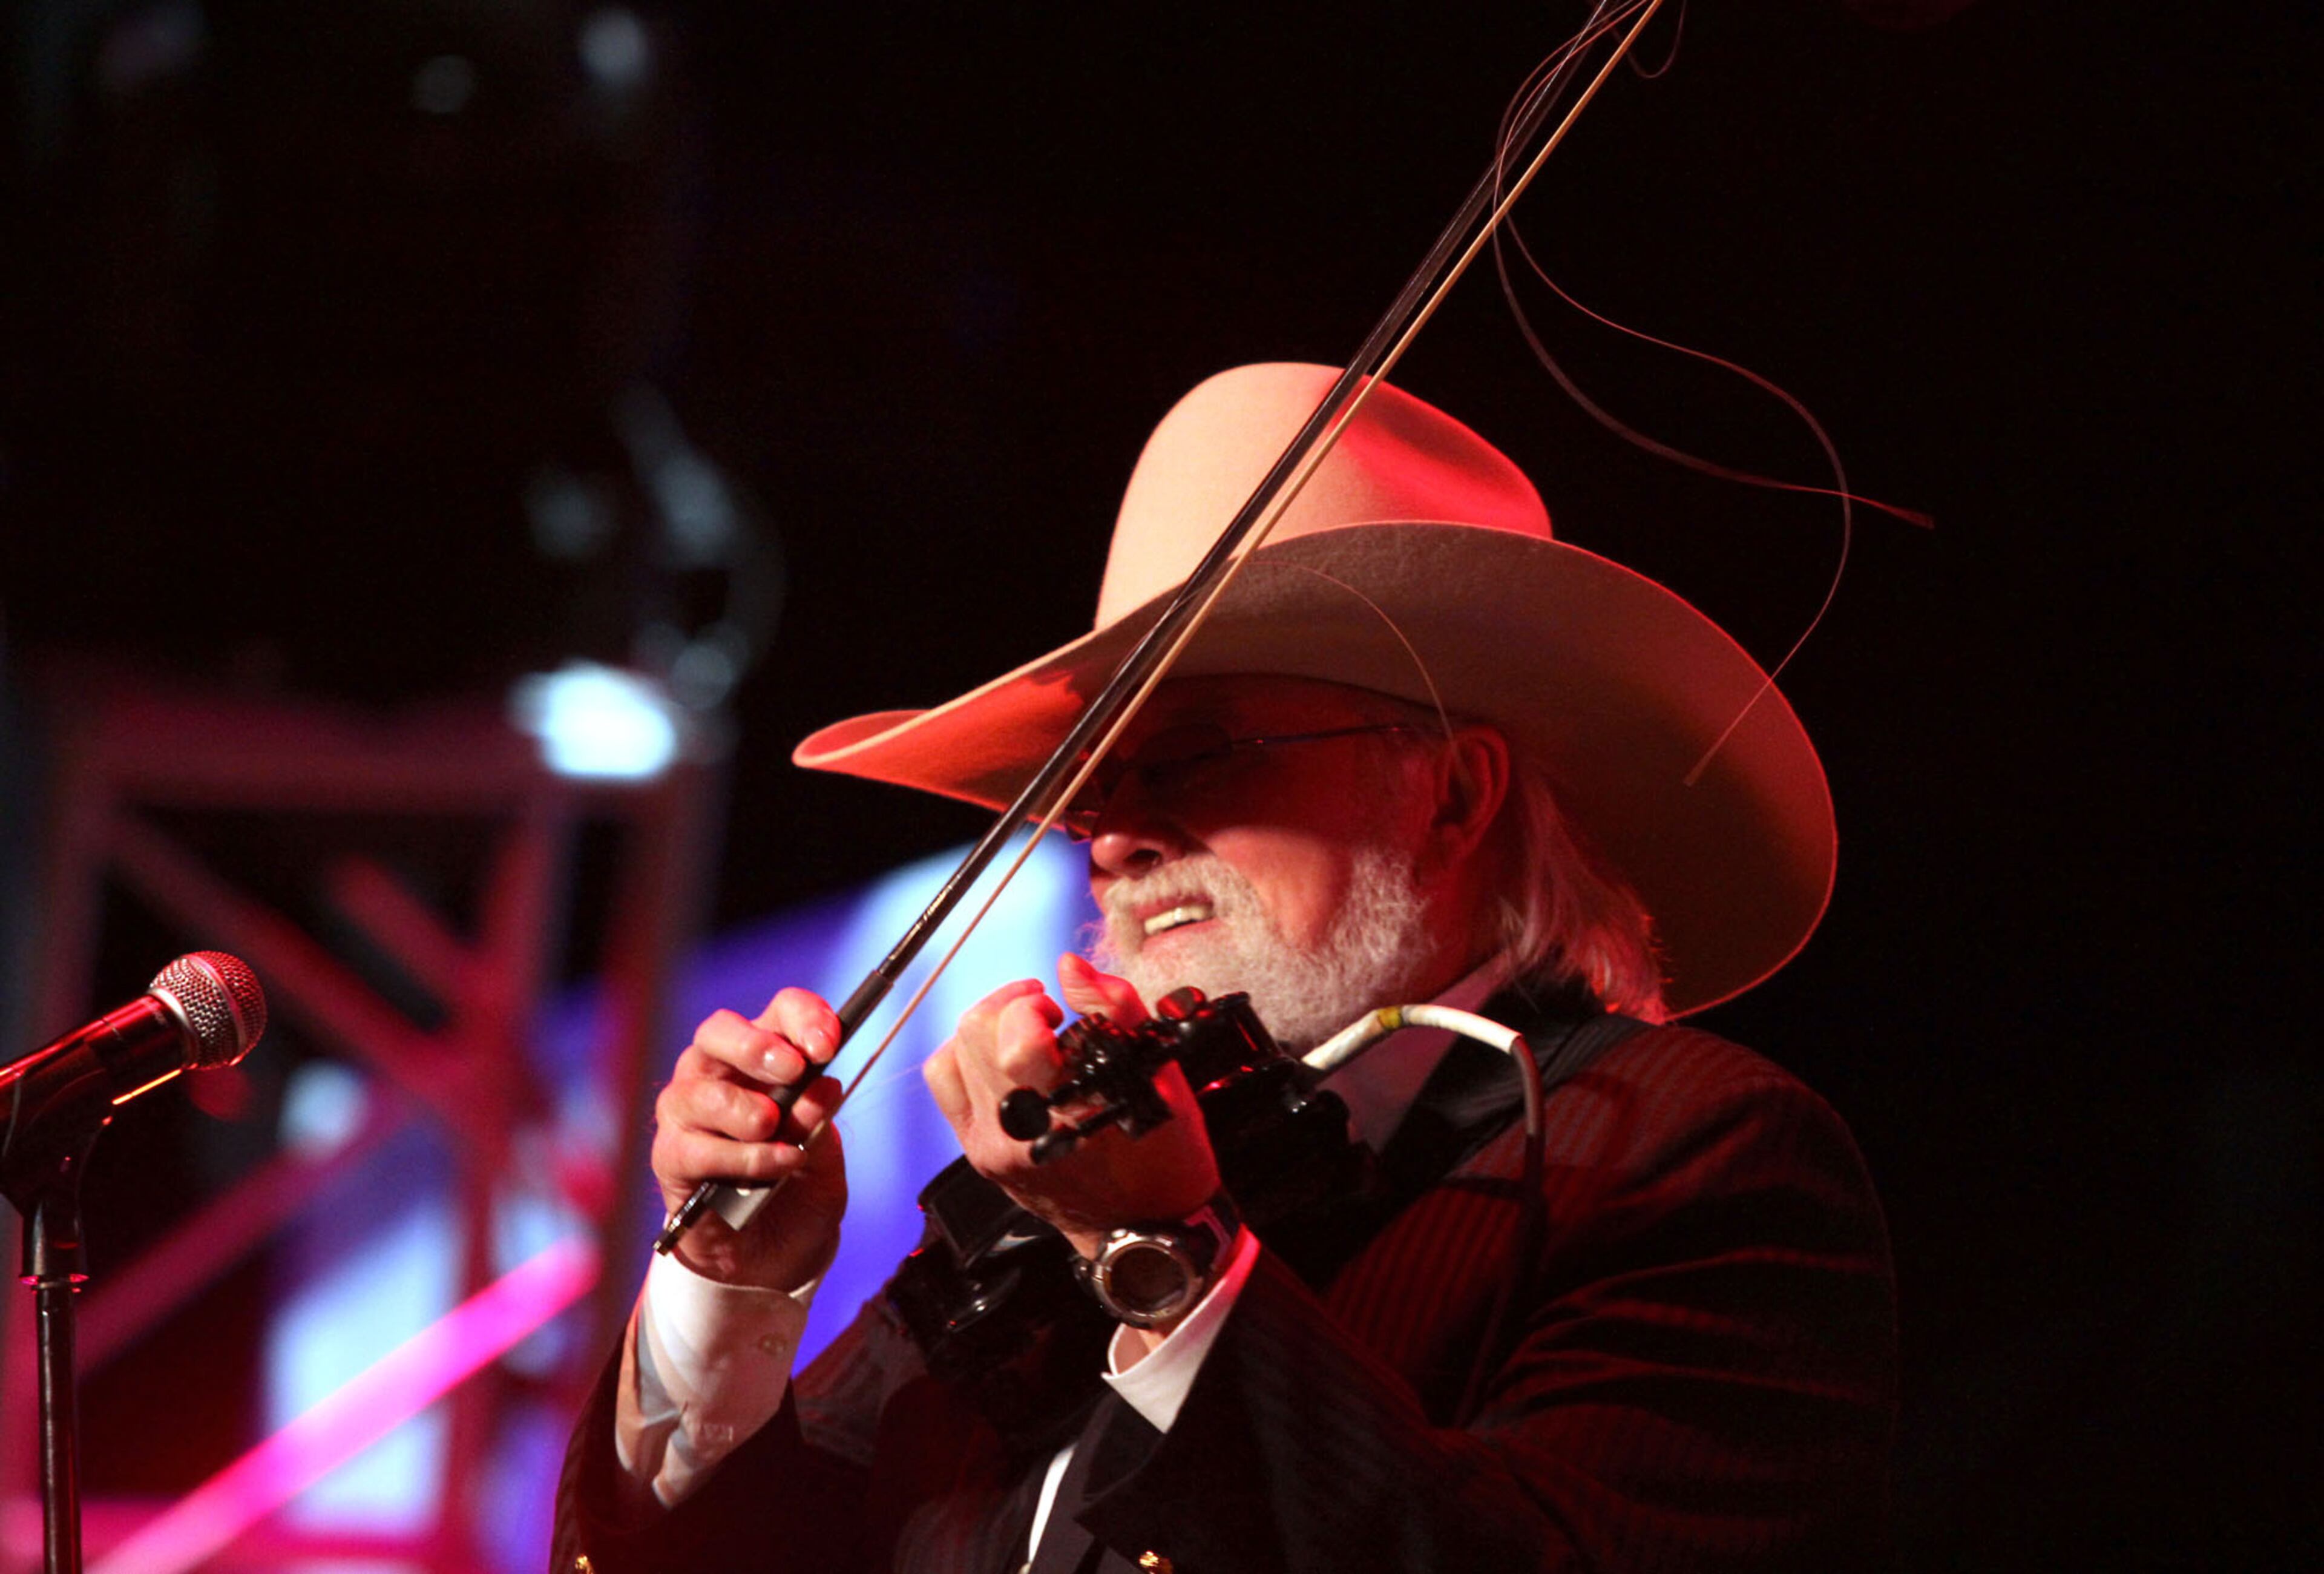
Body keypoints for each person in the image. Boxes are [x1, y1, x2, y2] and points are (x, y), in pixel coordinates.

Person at [552, 363, 1896, 1573]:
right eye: (1093, 788)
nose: (1118, 839)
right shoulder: (1047, 1199)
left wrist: (1166, 1257)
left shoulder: (1697, 1150)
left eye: (1197, 753)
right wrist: (731, 1284)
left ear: (1451, 792)